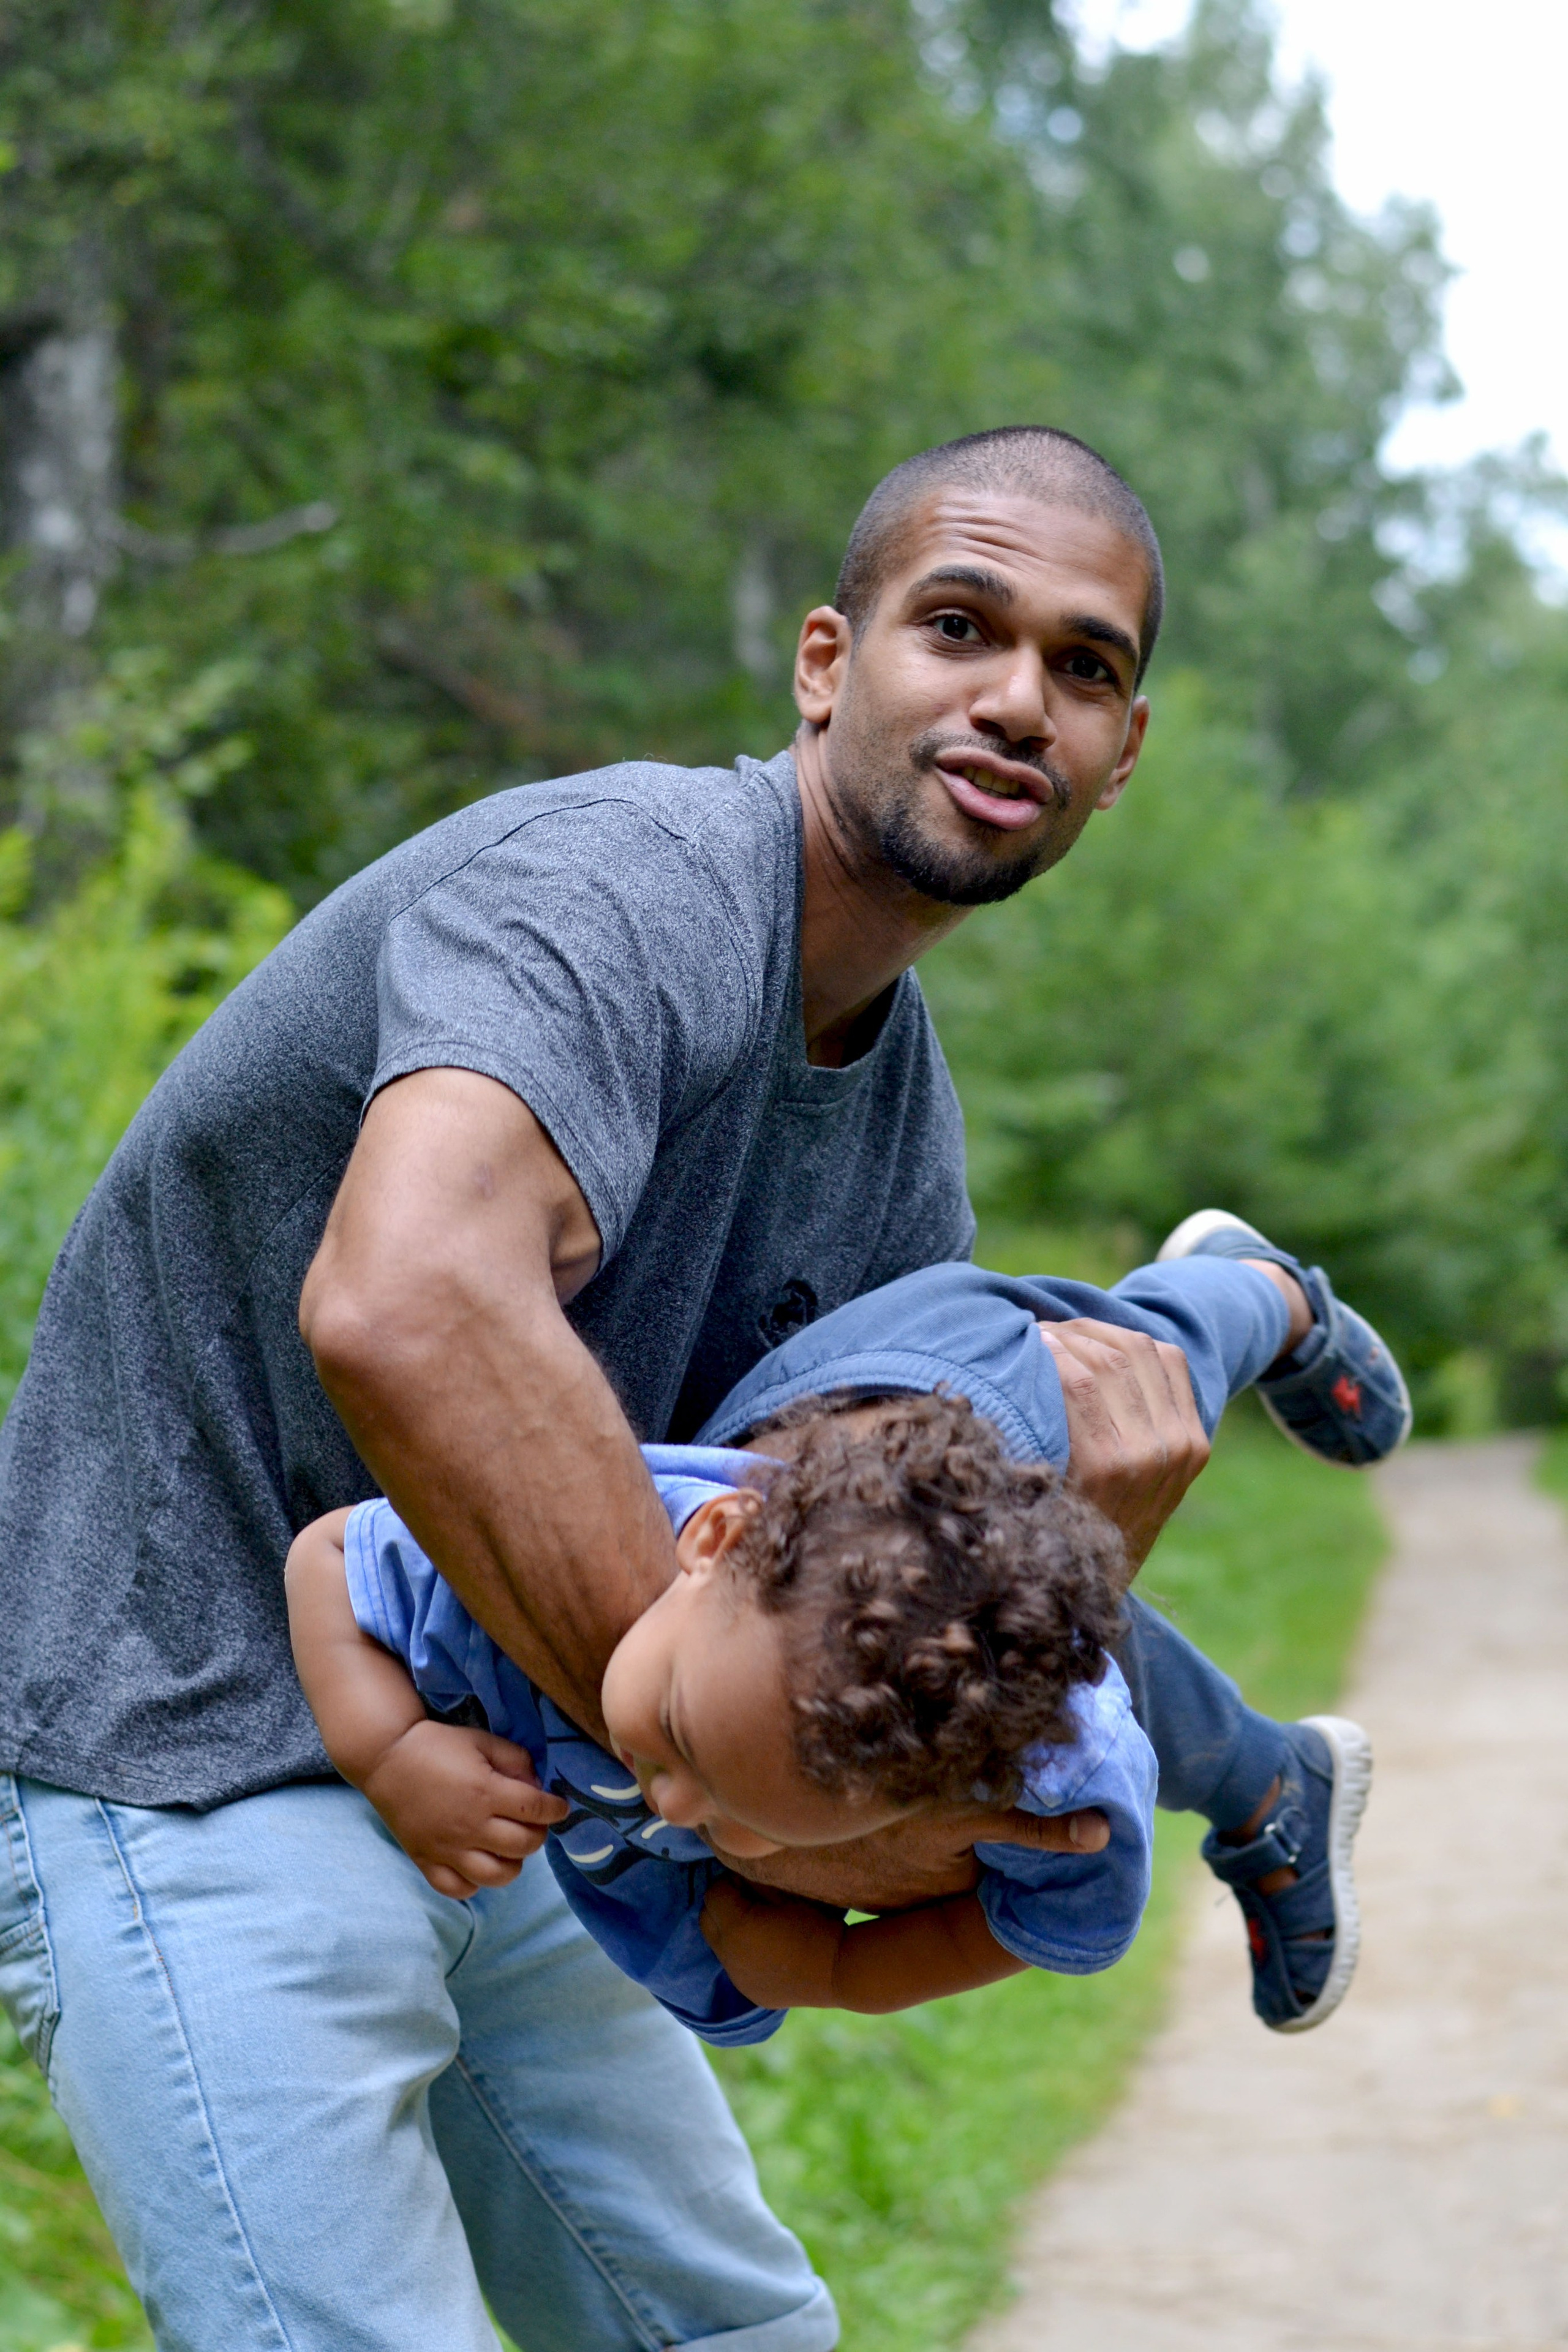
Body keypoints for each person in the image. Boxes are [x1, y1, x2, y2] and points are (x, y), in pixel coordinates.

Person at [0, 423, 1343, 2351]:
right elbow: (407, 1301)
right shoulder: (616, 891)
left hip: (536, 1757)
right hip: (188, 1719)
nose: (1015, 696)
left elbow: (840, 1593)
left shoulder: (900, 1123)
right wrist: (724, 1785)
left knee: (725, 2333)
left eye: (1085, 665)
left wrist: (1069, 1572)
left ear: (1124, 754)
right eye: (956, 623)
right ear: (827, 662)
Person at [286, 1212, 1402, 2046]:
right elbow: (332, 1553)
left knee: (1115, 1443)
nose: (673, 1804)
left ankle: (1261, 1298)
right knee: (1091, 1475)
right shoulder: (550, 1564)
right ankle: (1273, 1773)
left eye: (740, 1813)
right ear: (710, 1537)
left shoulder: (1063, 1772)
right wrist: (385, 1747)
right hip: (910, 1397)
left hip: (956, 1472)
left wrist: (836, 1969)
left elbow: (1036, 1908)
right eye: (676, 1737)